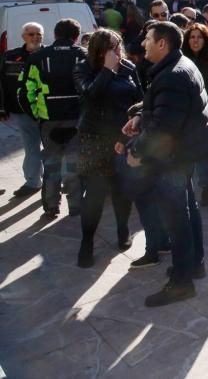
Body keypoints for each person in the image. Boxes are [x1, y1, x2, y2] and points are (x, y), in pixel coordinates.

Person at [123, 21, 208, 307]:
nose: (144, 44)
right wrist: (140, 114)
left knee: (177, 218)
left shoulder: (171, 74)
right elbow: (165, 107)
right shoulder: (176, 66)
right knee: (187, 211)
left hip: (175, 157)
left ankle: (181, 282)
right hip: (185, 153)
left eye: (148, 39)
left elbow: (165, 127)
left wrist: (137, 149)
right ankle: (193, 265)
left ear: (162, 43)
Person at [73, 28, 143, 268]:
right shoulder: (83, 68)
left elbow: (139, 100)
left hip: (122, 137)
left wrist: (137, 120)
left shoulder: (129, 68)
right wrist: (107, 70)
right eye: (110, 48)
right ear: (98, 50)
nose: (116, 51)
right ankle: (87, 243)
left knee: (122, 190)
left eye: (118, 46)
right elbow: (90, 95)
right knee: (94, 193)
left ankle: (123, 230)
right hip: (94, 139)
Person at [21, 18, 88, 218]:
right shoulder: (84, 56)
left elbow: (25, 91)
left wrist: (36, 114)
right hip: (76, 119)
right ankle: (75, 206)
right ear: (76, 36)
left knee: (52, 162)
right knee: (74, 163)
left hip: (49, 119)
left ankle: (51, 207)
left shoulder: (37, 57)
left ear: (55, 34)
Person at [182, 23, 208, 205]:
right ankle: (205, 188)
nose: (195, 40)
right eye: (192, 37)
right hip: (194, 113)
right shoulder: (183, 60)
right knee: (200, 154)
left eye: (199, 37)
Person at [1, 22, 45, 198]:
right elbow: (2, 84)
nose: (35, 37)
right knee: (31, 146)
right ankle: (33, 181)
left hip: (49, 110)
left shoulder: (49, 55)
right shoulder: (10, 56)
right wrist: (2, 108)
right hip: (22, 110)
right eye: (31, 34)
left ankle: (54, 181)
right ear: (23, 37)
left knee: (53, 148)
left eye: (38, 34)